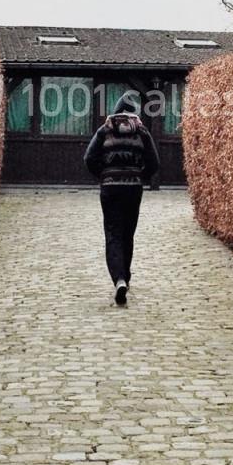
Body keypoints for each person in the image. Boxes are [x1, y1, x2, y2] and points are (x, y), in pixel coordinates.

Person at [83, 92, 160, 305]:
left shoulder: (104, 131)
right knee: (128, 233)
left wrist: (103, 174)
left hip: (110, 189)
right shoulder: (142, 132)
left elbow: (89, 158)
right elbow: (154, 163)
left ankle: (119, 279)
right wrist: (139, 176)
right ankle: (126, 274)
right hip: (133, 189)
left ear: (116, 111)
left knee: (113, 233)